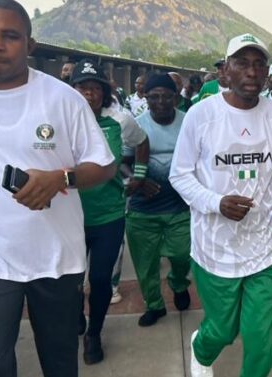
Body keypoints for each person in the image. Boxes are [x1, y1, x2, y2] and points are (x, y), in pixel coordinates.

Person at [0, 0, 116, 377]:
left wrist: (61, 179)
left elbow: (105, 165)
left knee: (59, 360)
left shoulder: (63, 99)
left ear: (29, 46)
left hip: (56, 257)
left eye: (10, 36)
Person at [169, 33, 272, 377]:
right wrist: (216, 203)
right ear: (225, 71)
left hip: (266, 244)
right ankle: (201, 347)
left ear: (267, 72)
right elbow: (179, 176)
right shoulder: (201, 115)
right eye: (242, 63)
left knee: (258, 337)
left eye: (259, 65)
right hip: (217, 247)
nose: (251, 72)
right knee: (223, 331)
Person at [70, 59, 150, 364]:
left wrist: (139, 175)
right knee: (73, 280)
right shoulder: (60, 120)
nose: (89, 94)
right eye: (82, 88)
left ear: (105, 92)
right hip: (69, 217)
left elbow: (142, 143)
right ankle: (76, 311)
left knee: (101, 279)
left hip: (109, 215)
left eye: (95, 88)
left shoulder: (120, 119)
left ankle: (94, 334)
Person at [126, 73, 193, 328]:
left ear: (176, 97)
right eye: (155, 97)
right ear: (146, 98)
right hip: (143, 209)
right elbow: (123, 164)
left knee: (181, 254)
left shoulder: (188, 122)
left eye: (167, 96)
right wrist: (137, 181)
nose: (162, 102)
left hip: (180, 206)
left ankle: (178, 282)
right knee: (146, 264)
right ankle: (154, 305)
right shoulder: (136, 125)